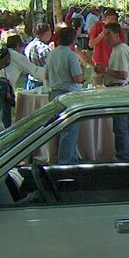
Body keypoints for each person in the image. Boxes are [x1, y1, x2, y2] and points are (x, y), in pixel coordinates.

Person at [0, 34, 46, 127]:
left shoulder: (2, 53)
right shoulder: (17, 56)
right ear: (17, 46)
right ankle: (4, 141)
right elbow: (35, 71)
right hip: (1, 86)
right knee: (3, 122)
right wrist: (50, 73)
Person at [45, 25, 86, 164]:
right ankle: (66, 161)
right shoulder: (71, 55)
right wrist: (83, 72)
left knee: (59, 128)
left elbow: (46, 75)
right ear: (73, 40)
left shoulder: (52, 54)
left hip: (54, 93)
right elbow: (77, 78)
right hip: (69, 93)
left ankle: (68, 157)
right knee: (70, 130)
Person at [102, 23, 129, 162]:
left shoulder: (121, 50)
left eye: (108, 34)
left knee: (121, 126)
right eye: (104, 35)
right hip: (120, 89)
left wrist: (105, 70)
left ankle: (124, 156)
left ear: (117, 35)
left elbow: (122, 74)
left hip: (120, 90)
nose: (106, 38)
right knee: (124, 125)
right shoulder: (118, 49)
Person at [24, 23, 53, 89]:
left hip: (30, 82)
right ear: (46, 33)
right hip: (42, 84)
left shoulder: (28, 46)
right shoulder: (44, 49)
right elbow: (51, 68)